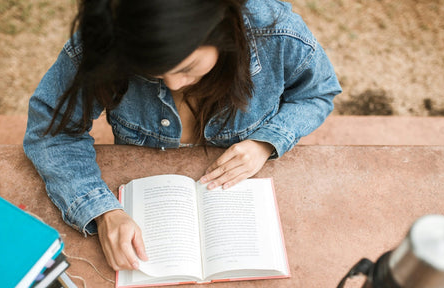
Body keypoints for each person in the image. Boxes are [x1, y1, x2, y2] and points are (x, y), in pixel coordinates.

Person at [24, 0, 342, 271]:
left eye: (188, 66)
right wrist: (102, 211)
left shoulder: (276, 33)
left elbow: (317, 93)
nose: (175, 85)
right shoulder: (109, 37)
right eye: (153, 72)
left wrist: (265, 141)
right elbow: (51, 132)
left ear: (222, 29)